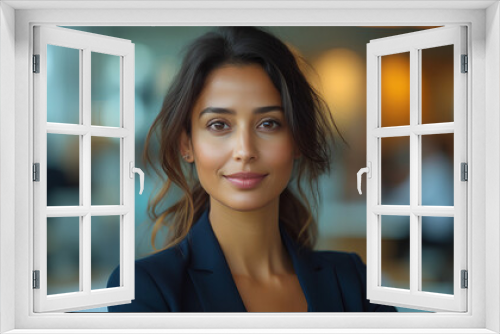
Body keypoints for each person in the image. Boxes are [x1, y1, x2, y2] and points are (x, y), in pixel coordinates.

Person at [107, 26, 397, 313]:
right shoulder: (144, 289)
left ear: (296, 138)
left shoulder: (355, 282)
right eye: (219, 125)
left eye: (268, 123)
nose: (245, 151)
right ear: (187, 145)